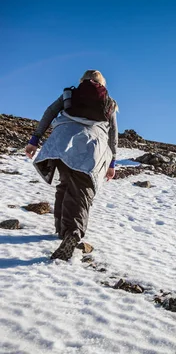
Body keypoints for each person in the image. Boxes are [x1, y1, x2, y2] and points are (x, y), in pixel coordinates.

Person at [25, 70, 118, 261]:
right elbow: (113, 134)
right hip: (92, 146)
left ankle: (61, 230)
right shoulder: (109, 102)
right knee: (82, 189)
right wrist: (112, 162)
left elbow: (49, 112)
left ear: (82, 80)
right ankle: (73, 232)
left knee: (65, 184)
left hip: (62, 142)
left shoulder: (70, 94)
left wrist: (34, 139)